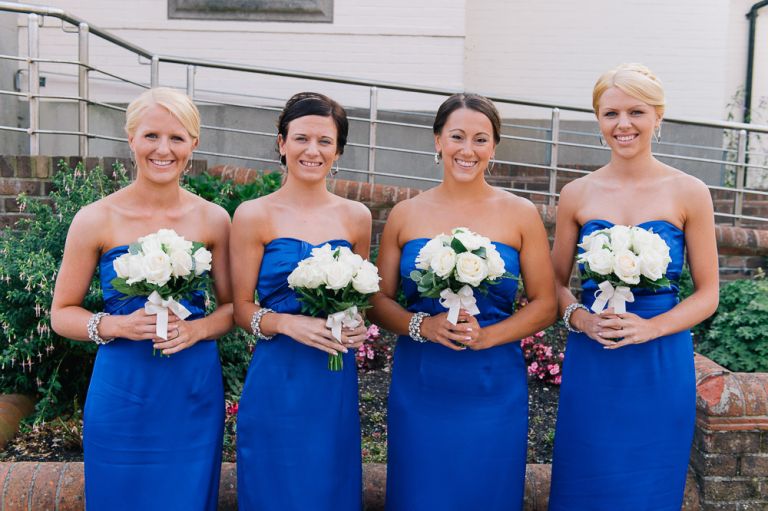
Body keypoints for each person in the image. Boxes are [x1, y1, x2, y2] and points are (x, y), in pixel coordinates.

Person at [368, 93, 557, 511]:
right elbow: (377, 301)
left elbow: (546, 303)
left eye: (480, 139)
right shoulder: (405, 214)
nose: (467, 150)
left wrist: (489, 337)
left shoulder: (521, 213)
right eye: (456, 136)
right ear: (437, 140)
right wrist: (423, 326)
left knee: (486, 491)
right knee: (422, 491)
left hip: (493, 382)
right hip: (422, 380)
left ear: (493, 146)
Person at [50, 87, 233, 510]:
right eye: (151, 136)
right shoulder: (95, 218)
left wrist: (197, 330)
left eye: (176, 138)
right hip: (122, 392)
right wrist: (113, 325)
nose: (163, 149)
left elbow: (231, 309)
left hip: (192, 391)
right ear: (131, 139)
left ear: (193, 144)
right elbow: (61, 314)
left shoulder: (214, 219)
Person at [548, 64, 719, 510]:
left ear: (658, 117)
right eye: (611, 113)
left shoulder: (690, 192)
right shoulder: (577, 193)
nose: (623, 124)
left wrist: (650, 328)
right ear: (598, 120)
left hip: (659, 361)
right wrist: (581, 319)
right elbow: (552, 283)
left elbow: (708, 294)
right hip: (594, 358)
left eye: (636, 112)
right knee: (585, 476)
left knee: (649, 486)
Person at [231, 92, 371, 511]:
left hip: (333, 376)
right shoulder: (253, 215)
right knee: (275, 485)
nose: (313, 150)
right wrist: (288, 324)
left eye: (325, 141)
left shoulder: (356, 217)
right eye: (301, 138)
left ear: (339, 150)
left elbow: (358, 298)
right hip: (278, 374)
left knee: (330, 482)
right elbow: (240, 307)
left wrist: (357, 325)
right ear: (282, 143)